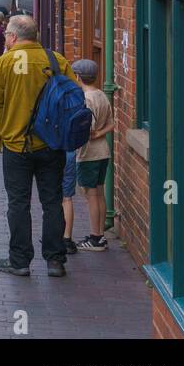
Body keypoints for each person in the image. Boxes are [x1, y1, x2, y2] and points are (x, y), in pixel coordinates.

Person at [0, 14, 76, 278]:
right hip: (51, 145)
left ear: (13, 37)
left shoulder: (4, 63)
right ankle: (55, 260)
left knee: (18, 203)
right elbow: (72, 100)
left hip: (16, 147)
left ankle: (20, 260)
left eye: (6, 37)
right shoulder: (57, 61)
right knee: (52, 202)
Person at [72, 59, 113, 252]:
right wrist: (100, 134)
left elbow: (85, 127)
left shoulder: (86, 99)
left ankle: (95, 237)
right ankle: (101, 235)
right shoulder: (102, 95)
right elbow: (112, 124)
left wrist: (89, 134)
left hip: (88, 153)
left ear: (78, 76)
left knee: (91, 195)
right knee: (99, 191)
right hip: (103, 151)